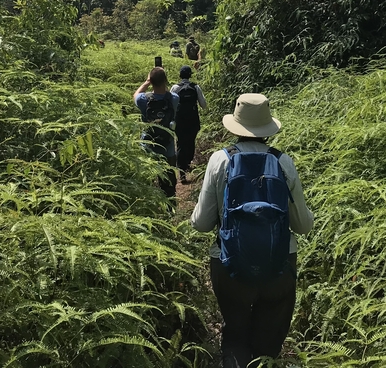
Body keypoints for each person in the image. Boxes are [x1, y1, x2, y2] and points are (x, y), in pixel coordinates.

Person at [190, 93, 314, 368]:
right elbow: (303, 226)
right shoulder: (283, 163)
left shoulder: (219, 161)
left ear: (235, 124)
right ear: (267, 127)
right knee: (268, 342)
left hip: (229, 262)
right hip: (280, 262)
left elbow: (200, 223)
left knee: (235, 332)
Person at [134, 67, 180, 198]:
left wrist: (147, 82)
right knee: (169, 180)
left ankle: (149, 204)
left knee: (147, 178)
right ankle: (170, 203)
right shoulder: (174, 98)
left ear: (151, 81)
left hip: (148, 145)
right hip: (168, 146)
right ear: (166, 80)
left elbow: (135, 95)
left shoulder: (143, 99)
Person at [170, 65, 207, 183]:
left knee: (180, 143)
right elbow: (204, 105)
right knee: (190, 142)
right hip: (193, 121)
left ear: (180, 75)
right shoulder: (195, 87)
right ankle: (187, 164)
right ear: (190, 75)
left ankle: (181, 172)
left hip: (179, 121)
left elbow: (170, 104)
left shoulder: (175, 88)